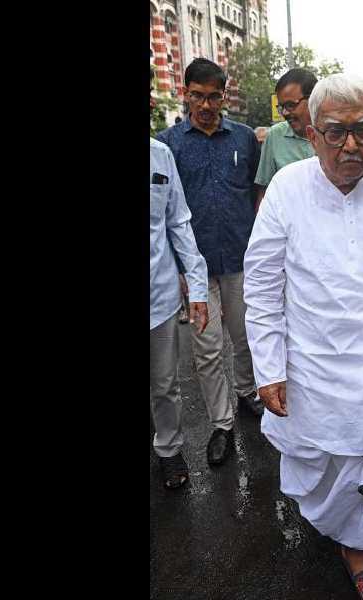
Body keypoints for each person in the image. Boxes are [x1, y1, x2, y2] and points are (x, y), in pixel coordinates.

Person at [244, 73, 363, 600]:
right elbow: (262, 286)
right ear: (312, 135)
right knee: (318, 465)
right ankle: (335, 525)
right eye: (335, 132)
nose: (351, 145)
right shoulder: (288, 187)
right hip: (310, 364)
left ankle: (356, 546)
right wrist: (270, 369)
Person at [155, 58, 264, 467]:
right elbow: (167, 215)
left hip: (239, 256)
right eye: (197, 95)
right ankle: (222, 423)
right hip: (193, 269)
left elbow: (257, 190)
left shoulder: (243, 140)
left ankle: (247, 391)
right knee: (206, 347)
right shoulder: (169, 145)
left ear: (224, 95)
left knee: (245, 335)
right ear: (185, 94)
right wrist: (180, 271)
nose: (205, 104)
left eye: (213, 96)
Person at [150, 71, 210, 489]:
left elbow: (179, 223)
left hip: (159, 298)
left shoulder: (160, 156)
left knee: (166, 384)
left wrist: (199, 287)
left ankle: (169, 450)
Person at [254, 68, 318, 210]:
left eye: (290, 105)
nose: (285, 113)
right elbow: (264, 193)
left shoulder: (334, 133)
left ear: (314, 98)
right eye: (281, 107)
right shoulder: (275, 136)